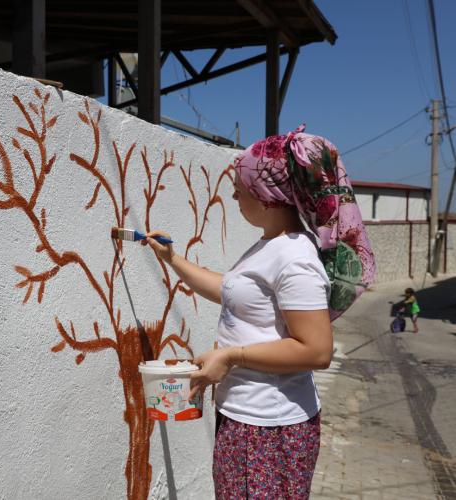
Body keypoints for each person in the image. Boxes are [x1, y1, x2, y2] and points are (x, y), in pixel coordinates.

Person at [144, 125, 376, 499]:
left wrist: (231, 356)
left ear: (269, 197)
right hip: (247, 420)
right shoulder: (271, 246)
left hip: (268, 430)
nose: (234, 195)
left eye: (241, 189)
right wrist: (172, 259)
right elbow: (232, 290)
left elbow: (316, 350)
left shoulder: (295, 259)